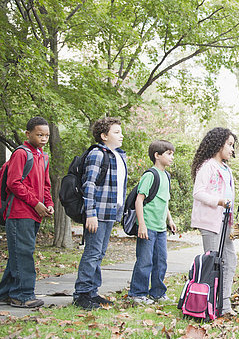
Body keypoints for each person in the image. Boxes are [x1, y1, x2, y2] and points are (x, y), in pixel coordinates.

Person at [73, 117, 127, 310]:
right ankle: (81, 294)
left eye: (121, 132)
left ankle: (92, 292)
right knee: (92, 252)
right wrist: (91, 213)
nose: (121, 135)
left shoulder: (118, 155)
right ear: (104, 136)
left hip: (111, 212)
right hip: (98, 212)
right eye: (116, 132)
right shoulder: (97, 153)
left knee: (99, 253)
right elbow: (89, 184)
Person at [0, 117, 53, 308]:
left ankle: (5, 293)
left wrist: (48, 203)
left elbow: (46, 185)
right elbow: (13, 183)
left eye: (46, 135)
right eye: (39, 135)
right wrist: (35, 202)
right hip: (18, 212)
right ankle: (22, 295)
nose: (44, 138)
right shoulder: (21, 154)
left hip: (35, 213)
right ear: (28, 134)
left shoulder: (43, 157)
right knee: (23, 254)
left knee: (18, 254)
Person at [191, 127, 238, 316]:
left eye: (233, 145)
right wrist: (218, 201)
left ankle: (224, 304)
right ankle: (208, 304)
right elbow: (198, 192)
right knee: (213, 263)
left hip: (225, 222)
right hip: (209, 222)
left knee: (230, 260)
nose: (232, 149)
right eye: (229, 144)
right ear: (218, 144)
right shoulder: (207, 166)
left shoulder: (226, 169)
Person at [129, 140, 177, 305]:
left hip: (161, 228)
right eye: (169, 154)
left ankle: (157, 293)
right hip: (148, 226)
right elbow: (139, 200)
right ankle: (137, 293)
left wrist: (170, 220)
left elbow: (164, 201)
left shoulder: (167, 176)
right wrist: (141, 224)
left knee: (161, 261)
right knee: (145, 261)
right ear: (157, 155)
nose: (172, 157)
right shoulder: (150, 175)